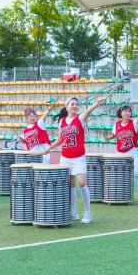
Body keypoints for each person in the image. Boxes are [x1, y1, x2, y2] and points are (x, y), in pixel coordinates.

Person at [41, 96, 106, 224]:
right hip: (65, 157)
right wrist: (50, 148)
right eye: (73, 104)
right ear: (67, 106)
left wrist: (96, 104)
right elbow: (60, 139)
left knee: (82, 183)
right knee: (70, 184)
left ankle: (88, 213)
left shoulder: (80, 118)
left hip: (79, 157)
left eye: (77, 104)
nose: (75, 106)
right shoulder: (62, 122)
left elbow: (88, 112)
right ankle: (73, 212)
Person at [103, 101, 138, 203]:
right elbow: (113, 135)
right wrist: (108, 138)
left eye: (129, 111)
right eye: (125, 111)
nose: (128, 113)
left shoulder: (134, 123)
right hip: (120, 154)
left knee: (136, 173)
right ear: (120, 113)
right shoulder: (117, 124)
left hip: (132, 152)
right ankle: (121, 194)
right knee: (120, 175)